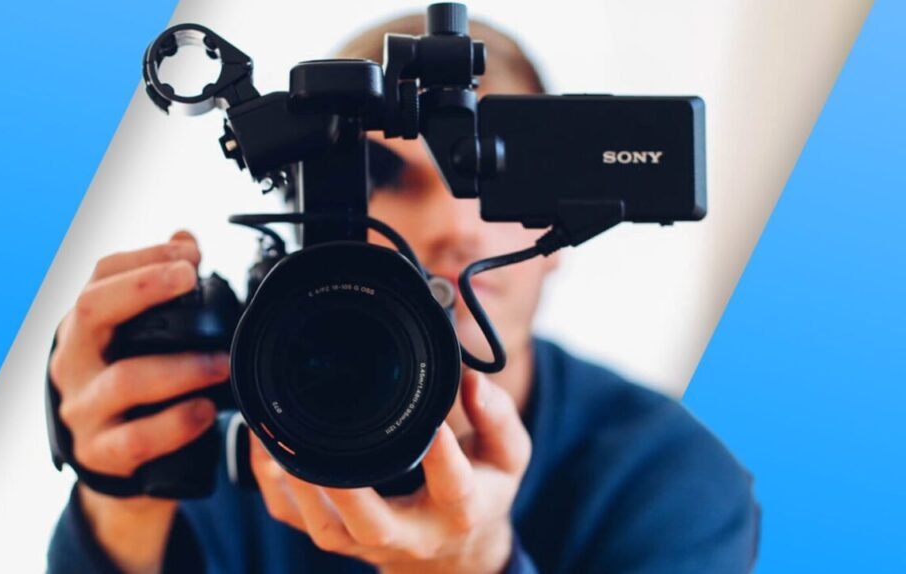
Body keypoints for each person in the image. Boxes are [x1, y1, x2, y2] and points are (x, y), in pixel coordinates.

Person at [47, 14, 759, 574]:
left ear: (562, 234)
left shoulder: (670, 481)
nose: (455, 225)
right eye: (390, 177)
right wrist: (123, 498)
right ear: (310, 217)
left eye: (492, 178)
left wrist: (476, 568)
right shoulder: (223, 417)